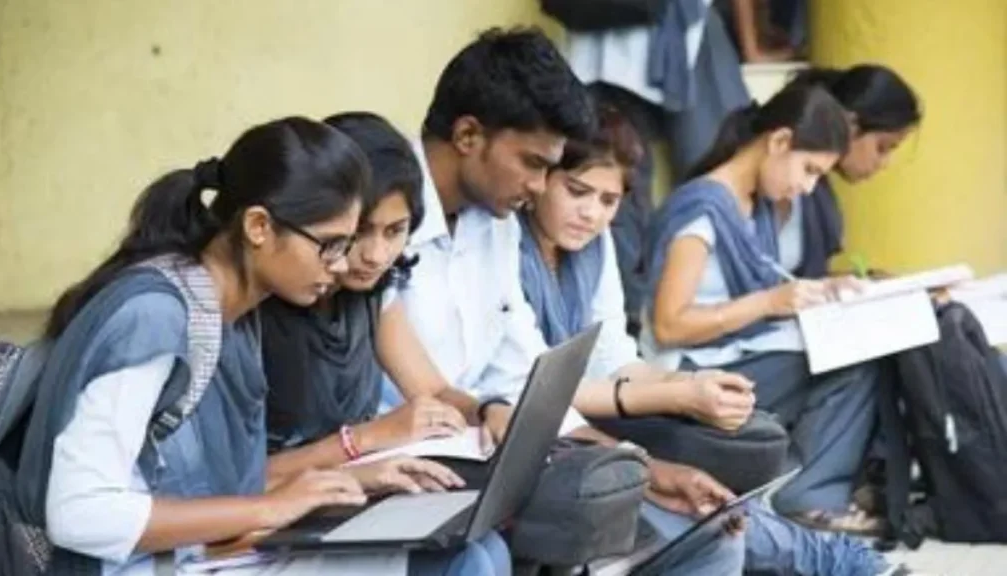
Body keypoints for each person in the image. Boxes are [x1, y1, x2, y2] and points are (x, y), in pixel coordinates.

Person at [13, 117, 508, 575]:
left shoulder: (233, 311)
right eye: (330, 244)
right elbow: (78, 513)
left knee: (462, 551)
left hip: (203, 555)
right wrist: (271, 508)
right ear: (257, 227)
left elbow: (219, 488)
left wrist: (360, 479)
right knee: (454, 566)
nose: (341, 265)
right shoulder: (155, 316)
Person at [383, 26, 747, 575]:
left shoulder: (496, 224)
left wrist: (647, 469)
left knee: (709, 527)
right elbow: (432, 395)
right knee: (551, 519)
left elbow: (527, 383)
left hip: (490, 450)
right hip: (401, 459)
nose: (539, 187)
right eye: (533, 163)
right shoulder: (380, 217)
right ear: (467, 135)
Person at [520, 99, 904, 575]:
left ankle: (827, 545)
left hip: (614, 399)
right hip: (575, 417)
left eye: (608, 201)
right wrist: (680, 391)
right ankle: (831, 551)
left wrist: (675, 395)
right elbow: (663, 327)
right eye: (577, 191)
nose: (591, 214)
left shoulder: (592, 247)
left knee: (729, 491)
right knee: (709, 511)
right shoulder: (508, 250)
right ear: (537, 180)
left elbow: (613, 352)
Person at [641, 84, 884, 535]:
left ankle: (805, 484)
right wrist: (770, 302)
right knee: (855, 365)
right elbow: (668, 325)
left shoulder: (756, 204)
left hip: (736, 349)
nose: (808, 187)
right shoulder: (702, 210)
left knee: (864, 348)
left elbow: (770, 286)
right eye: (809, 170)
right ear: (779, 142)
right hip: (690, 365)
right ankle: (806, 496)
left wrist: (823, 290)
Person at [261, 112, 498, 485]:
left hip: (343, 485)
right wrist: (366, 440)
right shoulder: (258, 309)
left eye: (395, 231)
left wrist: (489, 410)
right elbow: (240, 478)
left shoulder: (373, 290)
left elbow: (433, 390)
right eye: (360, 232)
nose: (376, 254)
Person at [784, 64, 923, 278]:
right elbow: (771, 286)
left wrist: (864, 281)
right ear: (850, 124)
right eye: (882, 148)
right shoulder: (787, 179)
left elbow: (801, 281)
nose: (883, 163)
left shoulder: (818, 187)